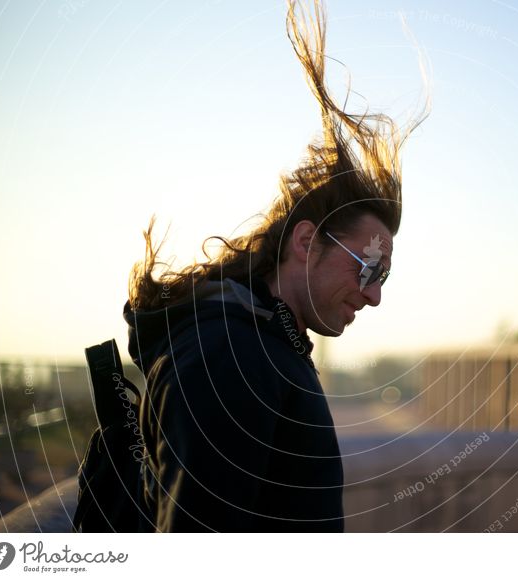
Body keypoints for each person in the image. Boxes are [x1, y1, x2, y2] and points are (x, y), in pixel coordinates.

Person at [123, 0, 424, 532]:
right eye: (368, 269)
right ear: (307, 242)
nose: (374, 295)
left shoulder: (267, 342)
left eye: (383, 277)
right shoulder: (230, 355)